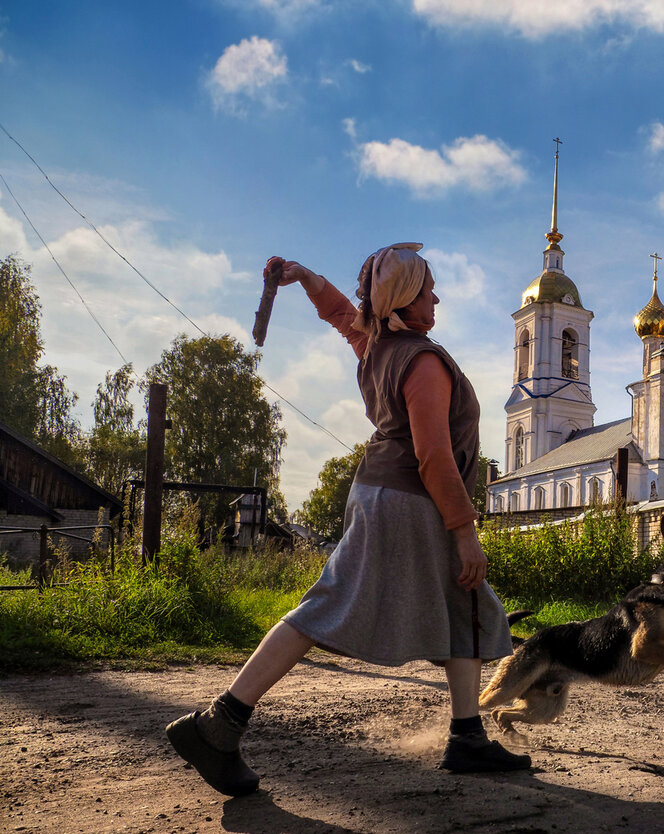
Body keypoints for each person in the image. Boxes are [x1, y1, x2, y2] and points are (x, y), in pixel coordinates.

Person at [166, 243, 530, 796]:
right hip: (407, 500)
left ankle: (467, 736)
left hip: (387, 495)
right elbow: (433, 456)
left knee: (467, 604)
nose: (436, 299)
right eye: (428, 290)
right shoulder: (422, 361)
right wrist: (466, 532)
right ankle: (220, 722)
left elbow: (342, 313)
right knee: (329, 605)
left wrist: (304, 277)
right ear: (404, 299)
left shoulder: (378, 346)